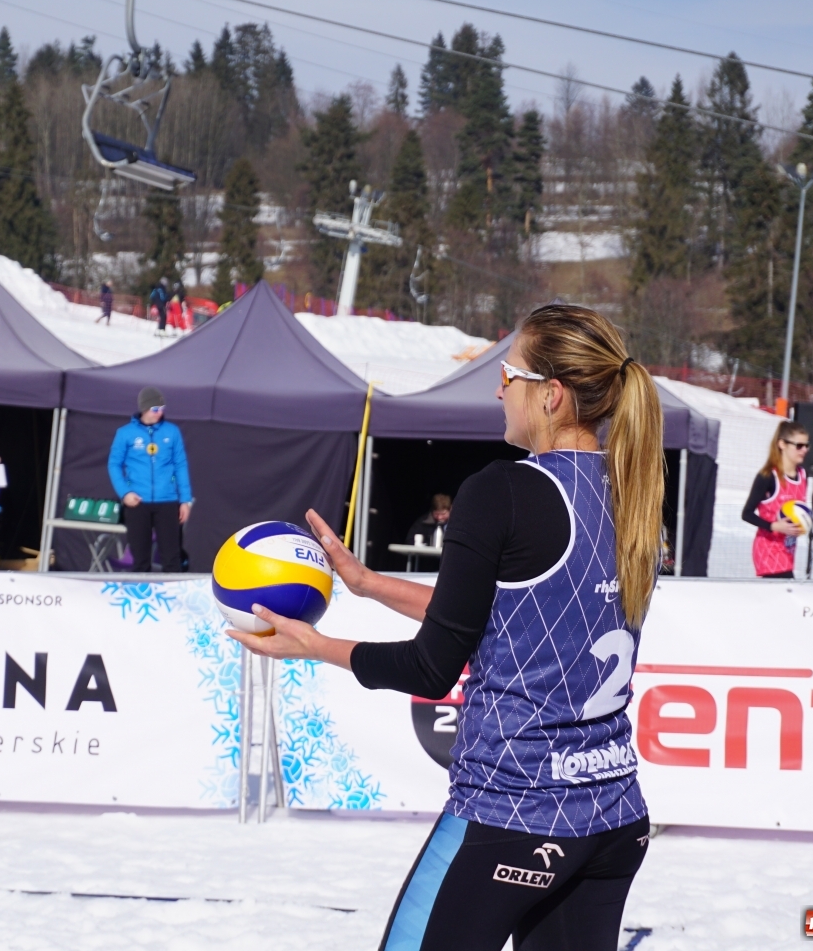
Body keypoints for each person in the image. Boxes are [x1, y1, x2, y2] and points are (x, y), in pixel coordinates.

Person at [231, 304, 664, 951]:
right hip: (612, 819)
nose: (497, 390)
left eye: (508, 374)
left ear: (550, 395)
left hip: (512, 813)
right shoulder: (634, 492)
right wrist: (369, 583)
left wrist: (314, 646)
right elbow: (510, 614)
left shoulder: (503, 490)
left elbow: (432, 666)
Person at [108, 386, 192, 572]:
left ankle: (171, 592)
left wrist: (185, 500)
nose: (159, 412)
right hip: (138, 502)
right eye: (155, 409)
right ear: (144, 408)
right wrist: (125, 493)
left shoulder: (172, 432)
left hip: (168, 501)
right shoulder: (125, 433)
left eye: (162, 408)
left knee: (172, 559)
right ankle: (141, 591)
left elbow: (180, 465)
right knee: (140, 560)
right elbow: (114, 464)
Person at [742, 420, 809, 579]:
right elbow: (746, 514)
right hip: (768, 551)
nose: (804, 450)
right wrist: (774, 526)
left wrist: (802, 523)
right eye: (799, 446)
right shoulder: (767, 477)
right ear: (782, 444)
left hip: (788, 551)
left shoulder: (802, 475)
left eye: (807, 445)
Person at [406, 493, 453, 571]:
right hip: (427, 564)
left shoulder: (457, 524)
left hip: (449, 564)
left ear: (451, 509)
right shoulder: (424, 522)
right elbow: (410, 540)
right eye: (437, 514)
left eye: (443, 514)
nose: (440, 517)